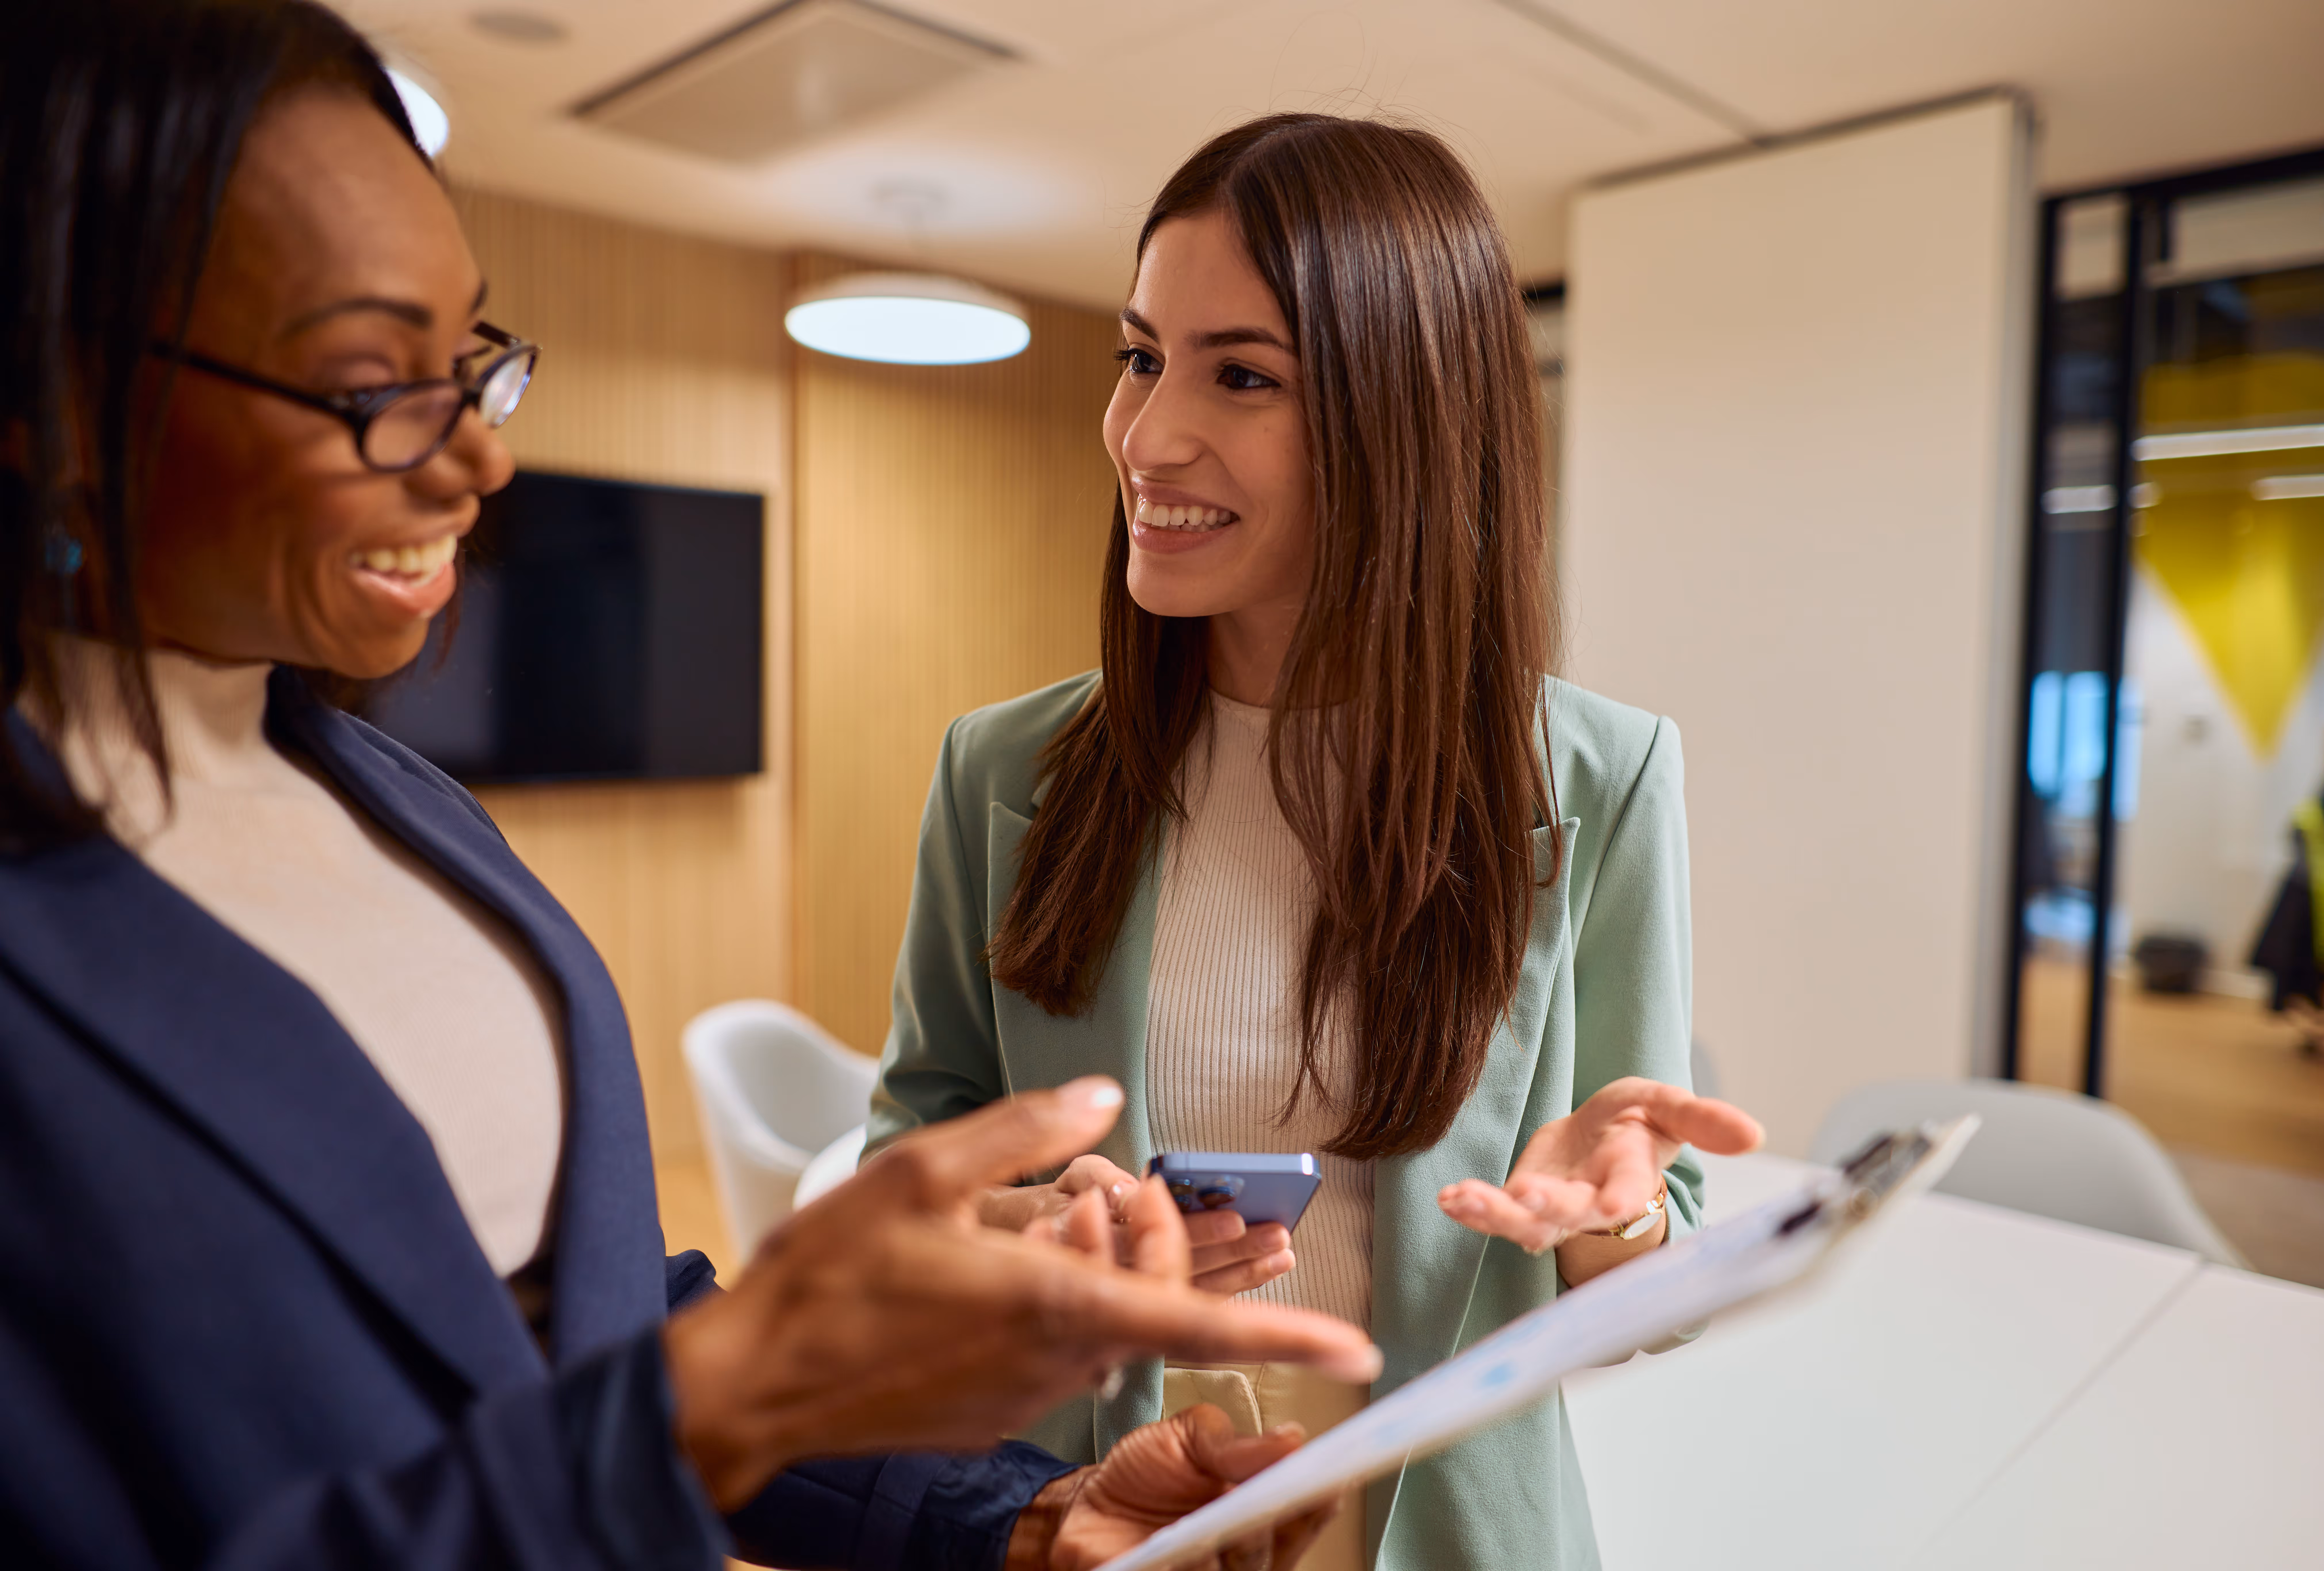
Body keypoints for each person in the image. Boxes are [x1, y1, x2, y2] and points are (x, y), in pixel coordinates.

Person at [0, 5, 1381, 1568]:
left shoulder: (403, 815)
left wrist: (1017, 1519)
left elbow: (599, 1336)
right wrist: (738, 1390)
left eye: (473, 363)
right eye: (368, 380)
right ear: (47, 392)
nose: (477, 462)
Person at [869, 114, 1766, 1571]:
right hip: (1093, 1515)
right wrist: (1028, 1228)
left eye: (1241, 376)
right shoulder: (1007, 770)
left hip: (1442, 1529)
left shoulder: (1600, 779)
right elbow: (911, 1161)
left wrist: (1608, 1225)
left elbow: (1645, 1269)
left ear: (1405, 416)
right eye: (1141, 356)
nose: (1147, 434)